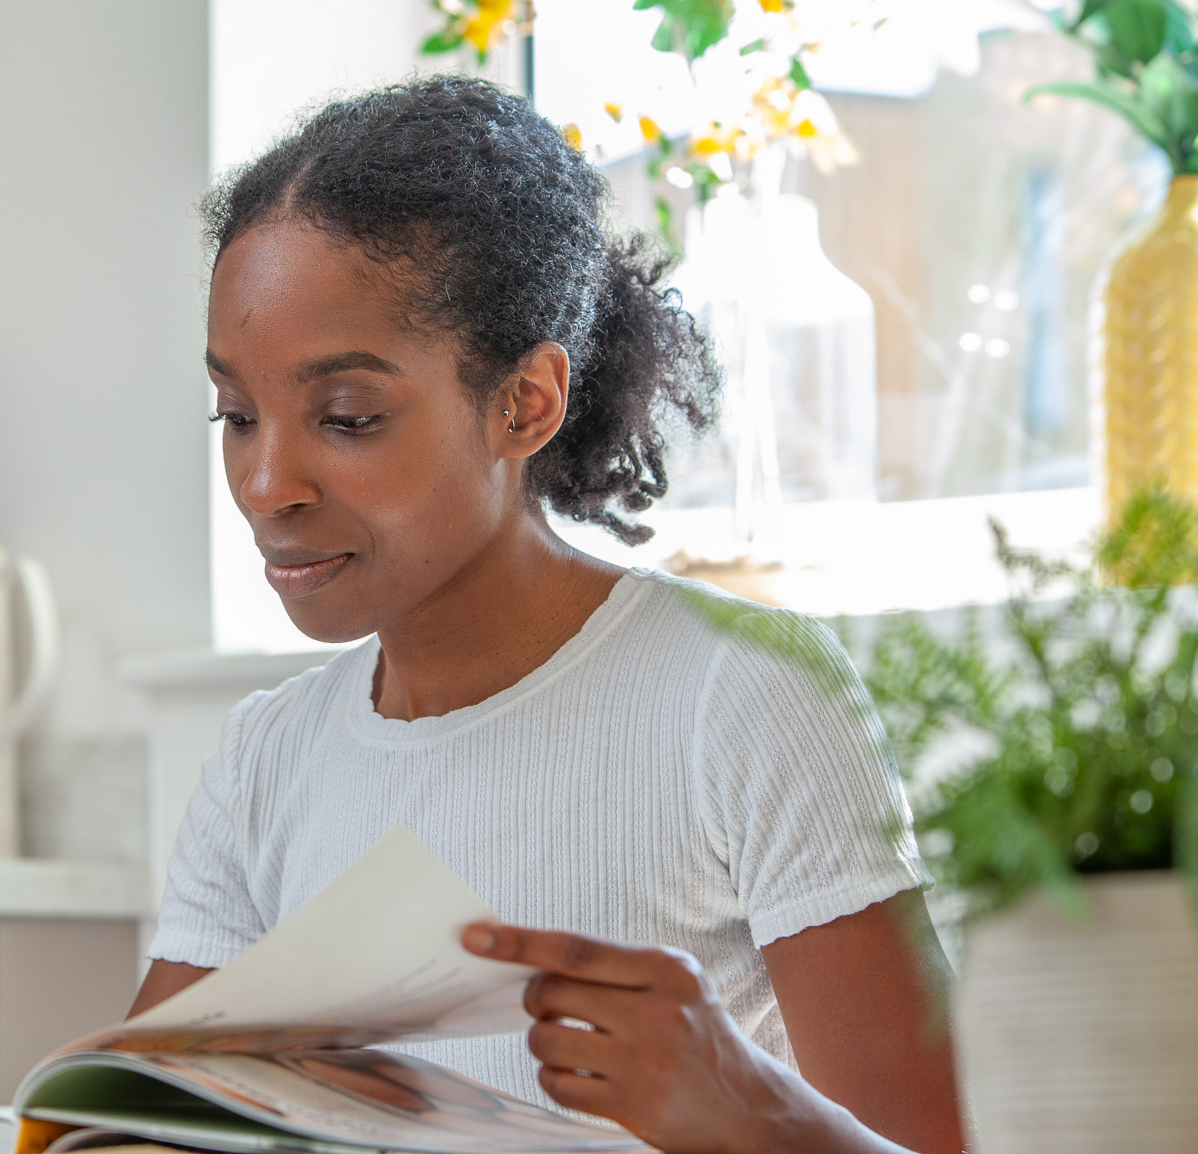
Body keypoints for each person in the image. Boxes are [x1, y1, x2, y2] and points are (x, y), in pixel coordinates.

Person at [125, 75, 965, 1154]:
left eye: (348, 416)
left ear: (525, 402)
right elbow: (120, 1129)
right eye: (237, 415)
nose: (264, 482)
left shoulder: (742, 693)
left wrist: (748, 1106)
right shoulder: (266, 761)